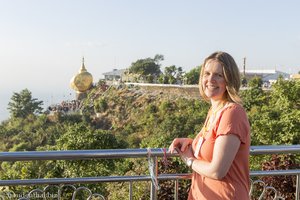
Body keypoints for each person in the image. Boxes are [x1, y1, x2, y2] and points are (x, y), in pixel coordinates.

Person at [169, 51, 251, 200]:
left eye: (218, 75)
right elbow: (214, 147)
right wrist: (191, 143)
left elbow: (217, 171)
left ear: (229, 80)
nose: (210, 79)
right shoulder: (214, 111)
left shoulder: (232, 113)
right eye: (207, 73)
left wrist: (188, 159)